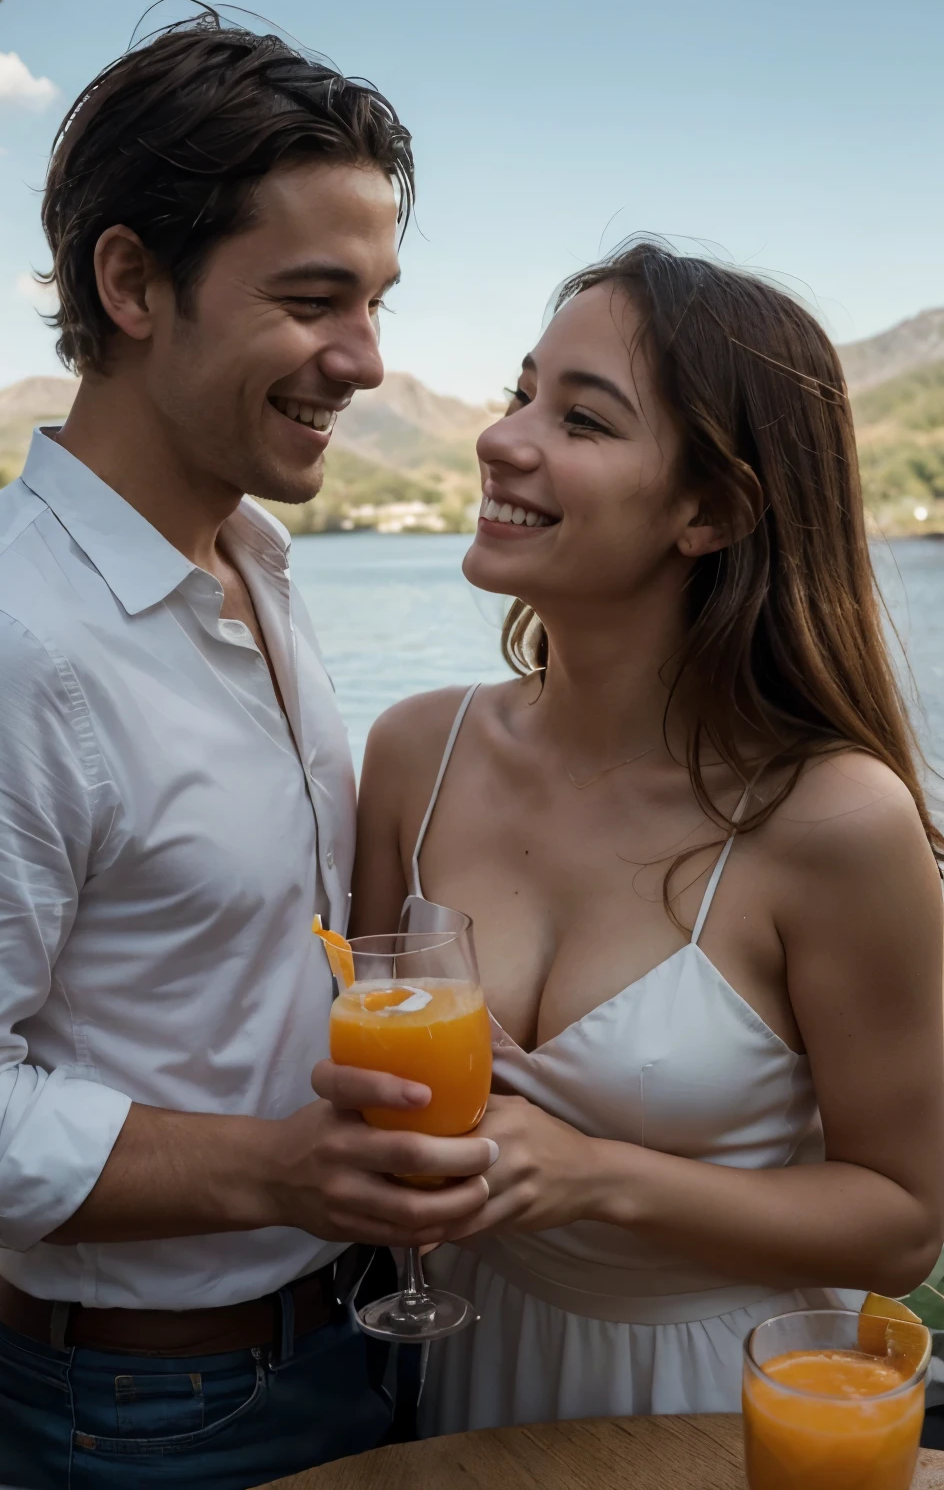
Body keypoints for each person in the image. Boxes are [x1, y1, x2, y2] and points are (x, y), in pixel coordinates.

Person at [0, 14, 495, 1489]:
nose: (366, 361)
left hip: (336, 1342)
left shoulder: (252, 558)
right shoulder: (0, 642)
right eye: (316, 300)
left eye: (375, 302)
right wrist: (286, 1169)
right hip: (137, 1417)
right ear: (131, 283)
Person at [342, 240, 944, 1431]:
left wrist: (592, 1179)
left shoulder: (831, 818)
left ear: (710, 511)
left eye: (582, 418)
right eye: (521, 391)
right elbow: (368, 1085)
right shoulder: (415, 753)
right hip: (458, 1374)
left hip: (709, 1406)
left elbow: (905, 1219)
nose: (503, 437)